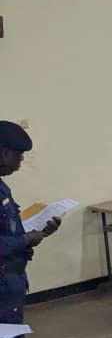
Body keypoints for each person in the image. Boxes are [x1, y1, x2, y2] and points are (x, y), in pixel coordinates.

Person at [0, 121, 62, 326]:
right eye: (19, 154)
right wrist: (25, 239)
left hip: (10, 283)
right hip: (3, 288)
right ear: (4, 152)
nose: (21, 160)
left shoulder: (2, 186)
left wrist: (39, 232)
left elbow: (9, 227)